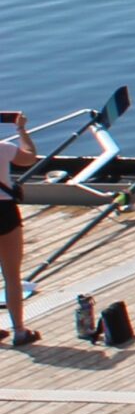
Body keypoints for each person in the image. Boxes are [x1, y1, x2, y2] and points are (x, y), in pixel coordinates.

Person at [3, 109, 38, 347]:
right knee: (12, 276)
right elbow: (29, 157)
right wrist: (21, 129)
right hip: (3, 212)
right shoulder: (2, 147)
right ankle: (19, 331)